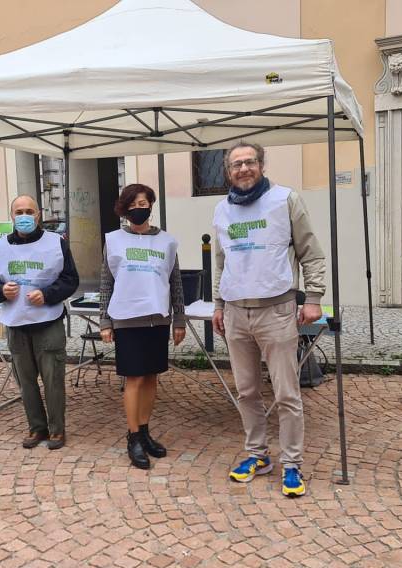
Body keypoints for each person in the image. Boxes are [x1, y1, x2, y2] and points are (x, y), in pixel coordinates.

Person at [211, 141, 326, 498]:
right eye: (236, 165)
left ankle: (292, 463)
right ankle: (257, 455)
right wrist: (218, 304)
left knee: (286, 392)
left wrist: (316, 297)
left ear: (261, 164)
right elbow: (221, 261)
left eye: (249, 162)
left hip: (276, 309)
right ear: (228, 172)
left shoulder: (284, 200)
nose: (243, 169)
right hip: (235, 312)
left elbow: (310, 251)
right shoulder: (221, 211)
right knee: (246, 391)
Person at [99, 184, 186, 470]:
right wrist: (105, 320)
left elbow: (175, 283)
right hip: (127, 319)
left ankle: (146, 430)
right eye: (134, 204)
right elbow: (106, 283)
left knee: (151, 377)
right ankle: (133, 435)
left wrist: (179, 319)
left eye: (144, 203)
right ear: (125, 208)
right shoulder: (113, 240)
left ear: (151, 205)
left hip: (157, 319)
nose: (140, 208)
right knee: (134, 379)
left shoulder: (167, 241)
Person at [0, 195, 79, 450]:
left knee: (53, 380)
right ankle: (36, 428)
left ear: (38, 215)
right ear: (11, 216)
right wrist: (1, 290)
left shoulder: (56, 243)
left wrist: (48, 294)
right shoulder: (0, 246)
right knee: (25, 382)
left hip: (47, 321)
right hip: (16, 323)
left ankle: (57, 430)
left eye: (29, 211)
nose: (23, 216)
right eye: (18, 211)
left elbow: (70, 279)